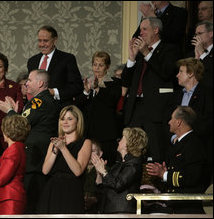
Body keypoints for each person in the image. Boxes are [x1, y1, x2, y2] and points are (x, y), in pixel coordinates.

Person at [0, 69, 61, 213]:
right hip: (38, 157)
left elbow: (22, 124)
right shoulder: (41, 100)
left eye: (30, 80)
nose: (26, 83)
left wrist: (9, 111)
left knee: (33, 204)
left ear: (40, 83)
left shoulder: (39, 100)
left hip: (35, 159)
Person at [122, 17, 180, 163]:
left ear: (156, 30)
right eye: (140, 29)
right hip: (136, 109)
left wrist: (147, 53)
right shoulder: (140, 54)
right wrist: (132, 57)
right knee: (131, 153)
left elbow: (166, 72)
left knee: (156, 154)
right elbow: (126, 81)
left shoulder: (170, 49)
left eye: (144, 29)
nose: (140, 33)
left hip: (156, 111)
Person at [146, 106, 209, 214]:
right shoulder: (179, 144)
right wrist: (165, 173)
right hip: (176, 204)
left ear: (179, 122)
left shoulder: (193, 144)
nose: (169, 122)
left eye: (171, 119)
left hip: (189, 207)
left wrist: (165, 174)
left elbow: (192, 177)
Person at [37, 105, 92, 213]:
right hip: (52, 191)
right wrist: (56, 150)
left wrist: (63, 148)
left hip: (71, 191)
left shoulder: (85, 142)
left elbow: (77, 171)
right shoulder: (54, 143)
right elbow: (45, 170)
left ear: (77, 121)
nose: (65, 122)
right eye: (62, 119)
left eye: (69, 119)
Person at [172, 57, 213, 190]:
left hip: (199, 148)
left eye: (181, 71)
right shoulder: (176, 96)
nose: (177, 75)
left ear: (190, 74)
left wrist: (188, 136)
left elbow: (207, 121)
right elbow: (168, 120)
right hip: (177, 148)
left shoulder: (207, 94)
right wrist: (174, 137)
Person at [75, 51, 122, 167]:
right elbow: (78, 106)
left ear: (107, 66)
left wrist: (97, 89)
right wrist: (86, 91)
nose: (97, 68)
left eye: (100, 65)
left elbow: (111, 102)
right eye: (95, 64)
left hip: (106, 133)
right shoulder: (86, 82)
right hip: (88, 133)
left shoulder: (115, 83)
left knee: (107, 165)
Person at [92, 127, 148, 214]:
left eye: (122, 138)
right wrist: (99, 173)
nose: (118, 141)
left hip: (123, 212)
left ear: (128, 144)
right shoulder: (118, 165)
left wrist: (104, 171)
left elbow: (118, 185)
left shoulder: (134, 164)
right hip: (109, 211)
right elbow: (104, 189)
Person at [27, 25, 83, 107]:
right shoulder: (32, 61)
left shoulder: (67, 59)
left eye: (45, 41)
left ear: (54, 40)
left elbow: (77, 86)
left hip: (59, 109)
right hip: (37, 109)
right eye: (39, 40)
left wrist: (54, 92)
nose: (42, 44)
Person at [188, 21, 213, 91]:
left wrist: (202, 54)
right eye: (196, 34)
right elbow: (189, 75)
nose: (197, 37)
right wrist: (196, 58)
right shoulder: (191, 54)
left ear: (211, 34)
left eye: (200, 33)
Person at [84, 140, 104, 213]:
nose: (89, 153)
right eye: (87, 150)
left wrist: (94, 199)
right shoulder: (79, 170)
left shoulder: (106, 170)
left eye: (92, 151)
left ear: (100, 153)